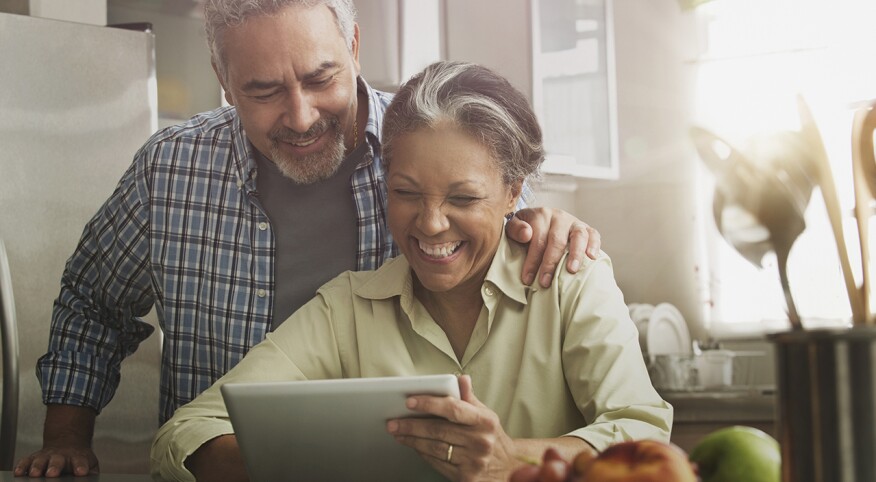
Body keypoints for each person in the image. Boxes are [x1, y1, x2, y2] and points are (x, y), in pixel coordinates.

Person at [14, 0, 604, 478]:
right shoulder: (169, 168)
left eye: (321, 79)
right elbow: (93, 303)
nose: (299, 116)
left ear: (353, 48)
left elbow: (506, 232)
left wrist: (549, 223)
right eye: (264, 91)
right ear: (222, 79)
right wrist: (66, 439)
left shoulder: (430, 143)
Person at [150, 60, 671, 482]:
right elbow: (185, 434)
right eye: (405, 193)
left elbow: (643, 436)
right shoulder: (346, 309)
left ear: (515, 192)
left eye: (463, 198)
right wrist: (325, 462)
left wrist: (512, 459)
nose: (430, 223)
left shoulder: (571, 281)